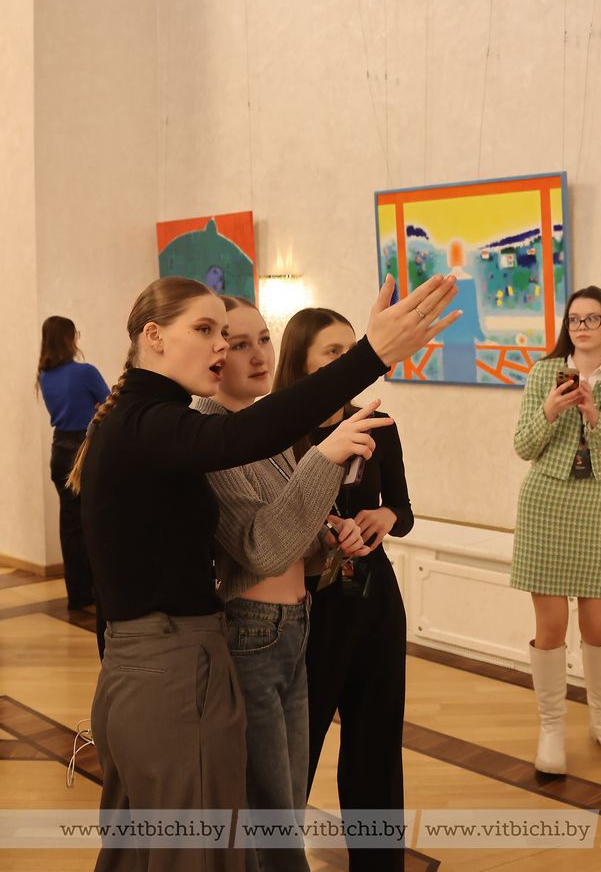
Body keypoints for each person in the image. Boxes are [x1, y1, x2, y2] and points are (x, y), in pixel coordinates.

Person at [69, 272, 458, 872]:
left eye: (232, 334)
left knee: (158, 847)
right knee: (195, 849)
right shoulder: (151, 422)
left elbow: (250, 457)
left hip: (173, 656)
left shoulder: (148, 418)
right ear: (154, 336)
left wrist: (328, 530)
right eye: (207, 330)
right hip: (169, 663)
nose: (223, 347)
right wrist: (370, 357)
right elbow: (248, 465)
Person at [193, 295, 375, 872]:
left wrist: (330, 533)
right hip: (252, 631)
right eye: (238, 343)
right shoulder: (209, 433)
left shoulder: (259, 427)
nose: (258, 356)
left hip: (293, 623)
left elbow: (289, 528)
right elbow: (263, 548)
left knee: (288, 801)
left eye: (263, 339)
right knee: (270, 807)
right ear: (214, 352)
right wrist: (325, 458)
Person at [274, 307, 413, 872]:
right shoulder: (276, 431)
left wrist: (383, 518)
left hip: (375, 603)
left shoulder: (377, 422)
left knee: (375, 750)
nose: (348, 360)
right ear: (301, 362)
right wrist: (322, 530)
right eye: (333, 352)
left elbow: (402, 509)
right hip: (307, 610)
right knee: (296, 753)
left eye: (350, 349)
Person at [510, 286, 601, 775]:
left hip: (592, 503)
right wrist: (552, 409)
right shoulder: (543, 373)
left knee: (596, 624)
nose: (582, 327)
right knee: (550, 626)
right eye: (574, 320)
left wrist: (593, 414)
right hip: (543, 501)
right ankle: (551, 727)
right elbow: (524, 447)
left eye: (592, 319)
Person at [36, 317, 109, 624]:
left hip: (59, 452)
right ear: (69, 338)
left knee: (70, 525)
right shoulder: (85, 371)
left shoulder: (44, 375)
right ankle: (100, 589)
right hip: (84, 450)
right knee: (95, 520)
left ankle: (78, 594)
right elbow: (110, 405)